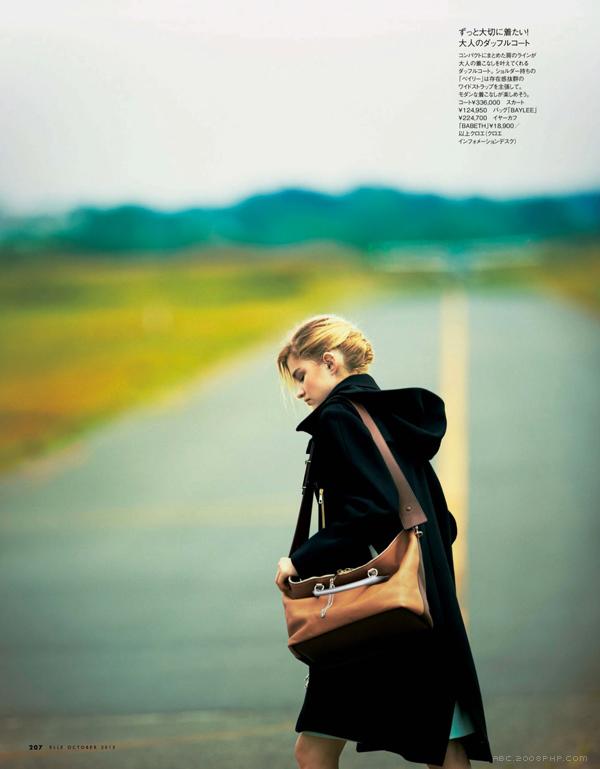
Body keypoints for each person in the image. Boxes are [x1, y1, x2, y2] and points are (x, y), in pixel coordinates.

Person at [274, 314, 493, 769]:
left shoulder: (339, 418)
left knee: (315, 749)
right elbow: (441, 520)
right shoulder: (386, 415)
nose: (299, 391)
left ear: (330, 362)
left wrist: (300, 561)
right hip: (418, 604)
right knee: (444, 741)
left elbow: (370, 512)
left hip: (369, 615)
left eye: (301, 375)